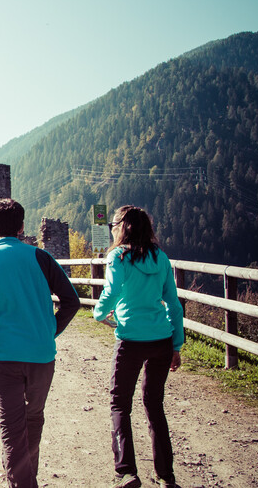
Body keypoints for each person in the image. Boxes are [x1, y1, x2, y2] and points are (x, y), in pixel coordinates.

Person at [0, 198, 81, 488]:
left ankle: (23, 484)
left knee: (12, 428)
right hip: (42, 356)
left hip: (4, 357)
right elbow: (72, 302)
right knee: (33, 420)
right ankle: (27, 480)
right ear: (22, 226)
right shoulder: (41, 258)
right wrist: (48, 331)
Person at [92, 205, 185, 488]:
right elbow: (174, 305)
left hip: (130, 339)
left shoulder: (118, 257)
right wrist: (177, 345)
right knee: (155, 405)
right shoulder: (161, 257)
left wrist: (99, 313)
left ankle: (127, 472)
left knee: (120, 404)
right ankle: (166, 476)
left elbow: (113, 290)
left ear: (122, 227)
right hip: (161, 339)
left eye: (113, 225)